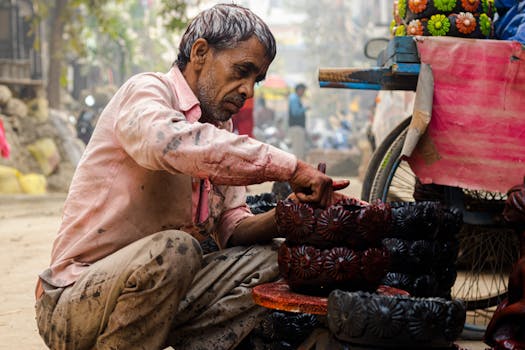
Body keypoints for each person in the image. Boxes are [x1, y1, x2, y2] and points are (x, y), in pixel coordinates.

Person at [34, 4, 348, 350]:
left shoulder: (219, 131)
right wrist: (291, 168)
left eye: (255, 79)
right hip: (76, 299)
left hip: (160, 290)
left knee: (276, 260)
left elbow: (232, 226)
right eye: (242, 71)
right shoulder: (147, 92)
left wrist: (291, 214)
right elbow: (169, 144)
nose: (248, 91)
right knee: (176, 248)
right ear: (200, 52)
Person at [288, 83, 308, 160]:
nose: (303, 92)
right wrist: (304, 109)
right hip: (296, 128)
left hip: (297, 128)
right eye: (303, 90)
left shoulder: (295, 98)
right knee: (298, 151)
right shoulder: (294, 98)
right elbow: (295, 112)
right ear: (299, 90)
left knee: (299, 151)